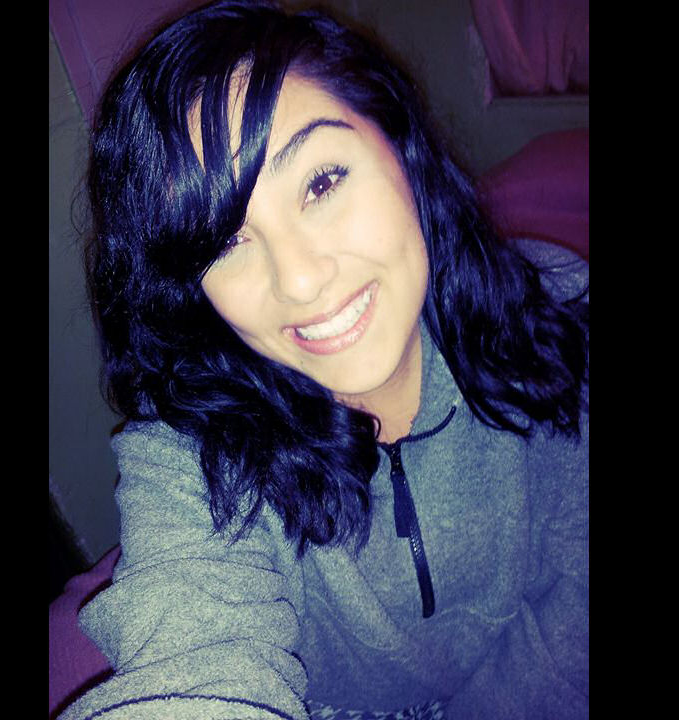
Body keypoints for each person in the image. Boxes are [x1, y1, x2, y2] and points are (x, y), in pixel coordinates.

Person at [60, 1, 589, 718]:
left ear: (397, 142)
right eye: (225, 241)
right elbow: (194, 658)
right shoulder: (193, 457)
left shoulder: (553, 318)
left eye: (321, 183)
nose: (302, 280)